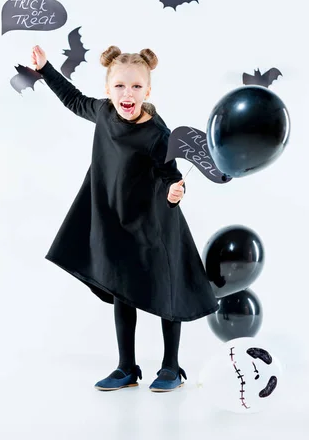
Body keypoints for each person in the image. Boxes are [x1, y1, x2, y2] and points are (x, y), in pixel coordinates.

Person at [31, 44, 219, 392]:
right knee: (122, 289)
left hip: (156, 223)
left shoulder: (157, 133)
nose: (127, 94)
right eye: (119, 86)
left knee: (167, 291)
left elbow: (169, 174)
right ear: (108, 90)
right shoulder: (103, 113)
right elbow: (73, 99)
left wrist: (175, 191)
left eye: (135, 87)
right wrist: (46, 69)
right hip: (118, 218)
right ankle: (126, 367)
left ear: (147, 91)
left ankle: (171, 367)